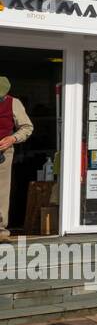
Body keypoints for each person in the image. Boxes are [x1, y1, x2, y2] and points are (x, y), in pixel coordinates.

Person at [0, 76, 34, 242]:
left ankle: (0, 230)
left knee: (1, 191)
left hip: (3, 152)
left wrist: (12, 138)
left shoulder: (13, 103)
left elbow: (27, 127)